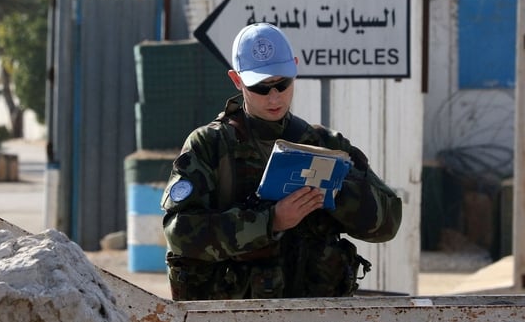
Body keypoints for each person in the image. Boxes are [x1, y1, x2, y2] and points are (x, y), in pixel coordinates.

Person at [162, 22, 402, 300]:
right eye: (261, 88)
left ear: (295, 69)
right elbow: (179, 233)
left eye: (282, 84)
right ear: (237, 80)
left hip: (317, 321)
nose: (274, 97)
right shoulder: (210, 146)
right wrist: (270, 221)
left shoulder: (325, 144)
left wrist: (337, 191)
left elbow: (389, 222)